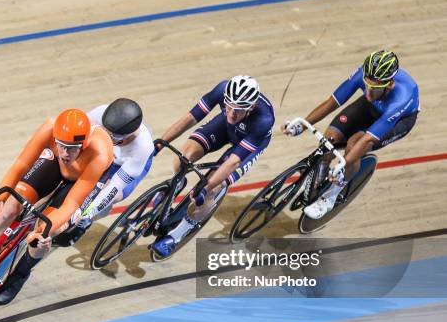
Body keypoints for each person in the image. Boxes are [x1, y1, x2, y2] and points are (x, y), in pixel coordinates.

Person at [0, 108, 114, 305]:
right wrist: (0, 195)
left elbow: (72, 202)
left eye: (73, 148)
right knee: (10, 208)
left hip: (80, 181)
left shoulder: (99, 153)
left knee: (43, 232)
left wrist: (44, 232)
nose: (66, 153)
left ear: (84, 144)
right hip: (55, 166)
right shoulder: (50, 127)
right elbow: (22, 164)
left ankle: (19, 275)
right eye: (62, 145)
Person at [282, 50, 419, 219]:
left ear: (389, 85)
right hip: (371, 107)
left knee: (354, 146)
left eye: (374, 88)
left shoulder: (403, 97)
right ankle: (323, 169)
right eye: (366, 84)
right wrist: (303, 124)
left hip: (396, 121)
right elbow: (331, 103)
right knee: (328, 140)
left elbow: (368, 138)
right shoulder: (365, 75)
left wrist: (343, 164)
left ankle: (331, 197)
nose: (368, 92)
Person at [152, 75, 275, 257]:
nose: (232, 113)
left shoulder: (264, 119)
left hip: (249, 145)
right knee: (182, 158)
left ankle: (177, 235)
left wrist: (206, 188)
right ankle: (177, 184)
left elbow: (234, 160)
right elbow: (190, 118)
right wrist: (162, 142)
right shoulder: (222, 89)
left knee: (212, 188)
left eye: (239, 110)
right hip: (225, 128)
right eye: (229, 106)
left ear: (251, 107)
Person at [55, 98, 155, 246]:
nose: (108, 139)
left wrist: (88, 213)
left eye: (113, 139)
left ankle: (86, 223)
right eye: (105, 132)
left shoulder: (142, 148)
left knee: (108, 194)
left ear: (129, 136)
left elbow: (113, 188)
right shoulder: (100, 113)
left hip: (125, 166)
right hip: (105, 155)